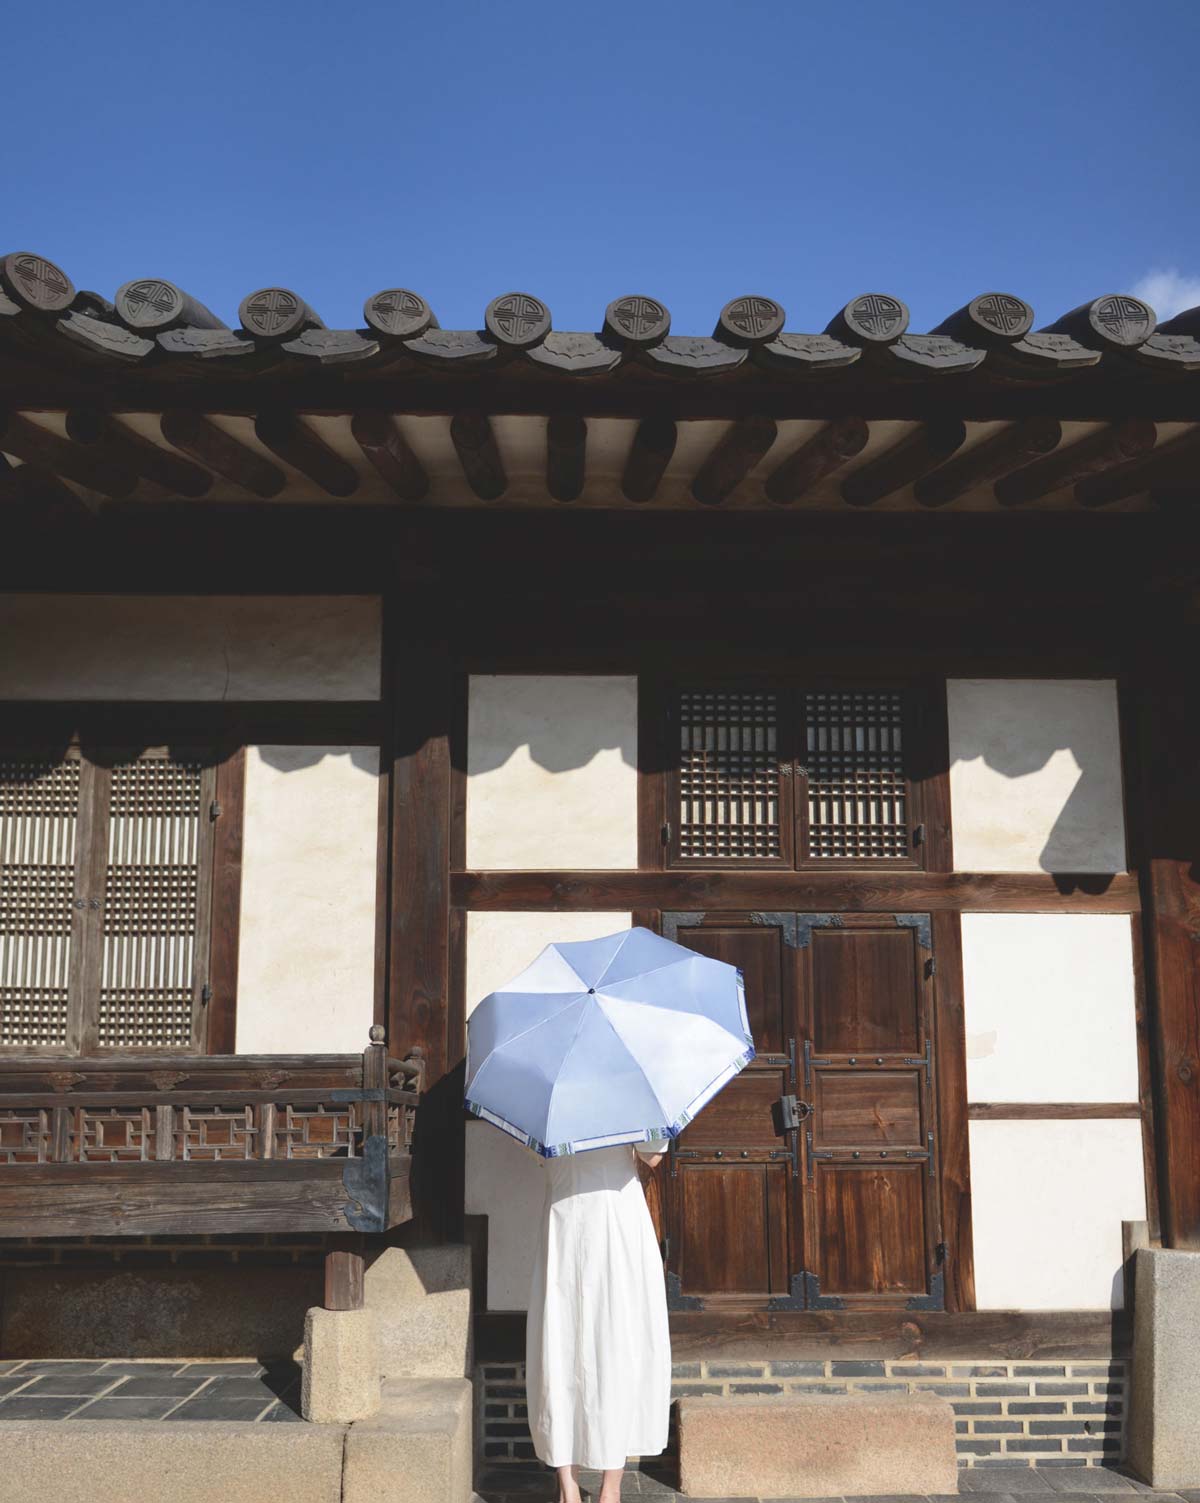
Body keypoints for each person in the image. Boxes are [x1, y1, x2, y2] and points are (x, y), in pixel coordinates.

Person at [525, 1136, 671, 1503]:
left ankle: (568, 1488)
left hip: (566, 1216)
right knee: (618, 1338)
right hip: (615, 1218)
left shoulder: (545, 1100)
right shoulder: (627, 1093)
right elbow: (652, 1158)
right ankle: (610, 1490)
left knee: (561, 1340)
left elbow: (537, 1154)